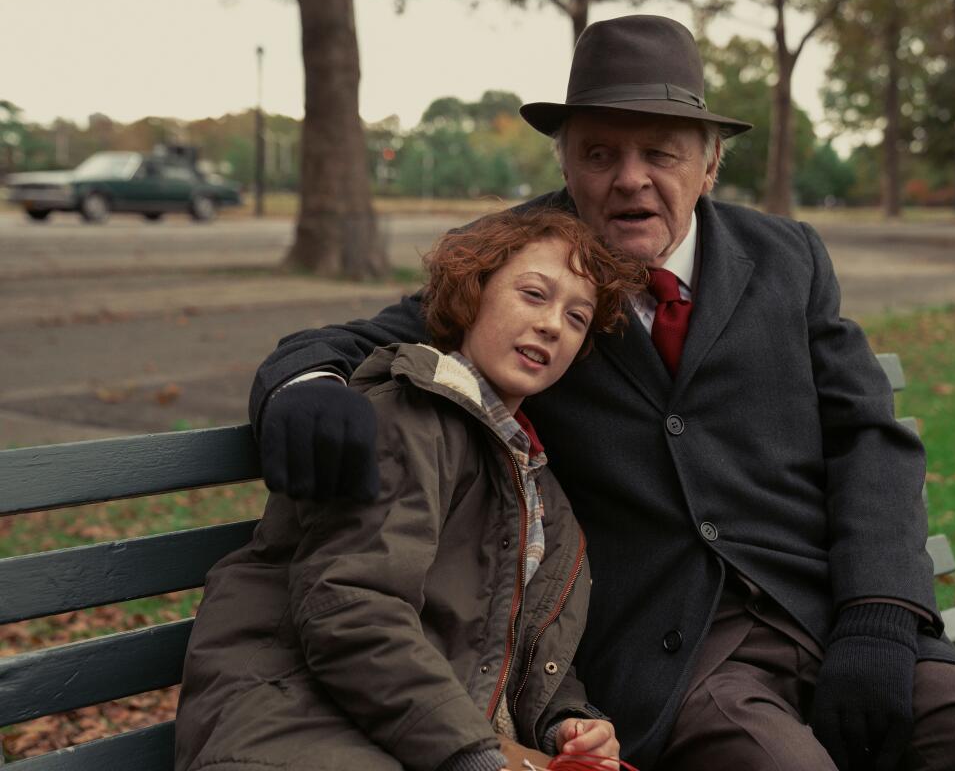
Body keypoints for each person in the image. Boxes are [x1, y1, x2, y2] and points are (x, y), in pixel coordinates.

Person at [246, 15, 955, 771]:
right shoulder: (519, 266)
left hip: (824, 613)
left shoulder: (788, 258)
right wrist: (306, 381)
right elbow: (353, 341)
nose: (630, 179)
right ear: (565, 162)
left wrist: (879, 616)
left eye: (661, 152)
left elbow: (868, 436)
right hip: (669, 653)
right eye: (599, 153)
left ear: (709, 163)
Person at [175, 209, 644, 771]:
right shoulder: (410, 416)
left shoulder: (535, 481)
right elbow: (351, 610)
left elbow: (517, 639)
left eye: (576, 317)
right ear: (473, 293)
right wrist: (472, 755)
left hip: (408, 733)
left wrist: (564, 721)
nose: (552, 325)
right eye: (533, 294)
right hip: (295, 723)